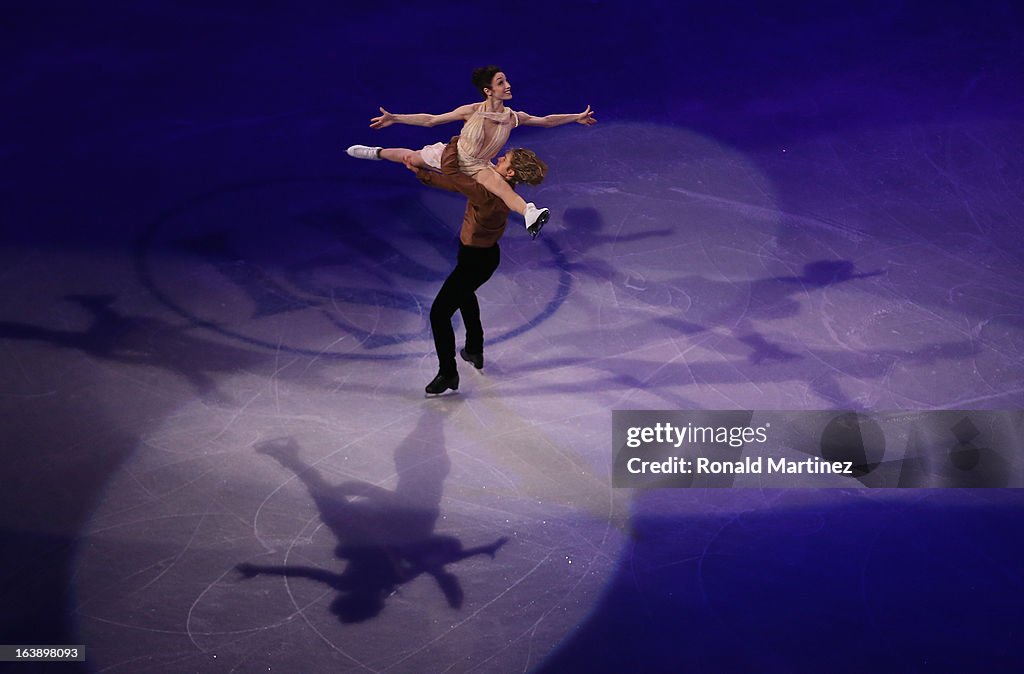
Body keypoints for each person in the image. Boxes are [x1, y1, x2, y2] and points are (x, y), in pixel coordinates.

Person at [347, 65, 593, 238]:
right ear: (488, 90)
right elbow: (431, 120)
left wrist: (576, 117)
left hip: (479, 165)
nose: (508, 86)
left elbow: (547, 120)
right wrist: (396, 118)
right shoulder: (471, 110)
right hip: (452, 157)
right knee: (409, 157)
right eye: (500, 83)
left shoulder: (512, 117)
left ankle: (530, 213)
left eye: (506, 81)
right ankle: (376, 152)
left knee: (502, 189)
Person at [406, 135, 547, 395]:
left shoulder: (487, 194)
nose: (497, 159)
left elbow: (452, 174)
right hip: (481, 257)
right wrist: (423, 175)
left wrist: (456, 142)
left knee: (439, 314)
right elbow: (457, 186)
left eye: (503, 159)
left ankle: (448, 373)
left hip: (475, 260)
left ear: (510, 171)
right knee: (465, 295)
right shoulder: (496, 190)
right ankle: (474, 349)